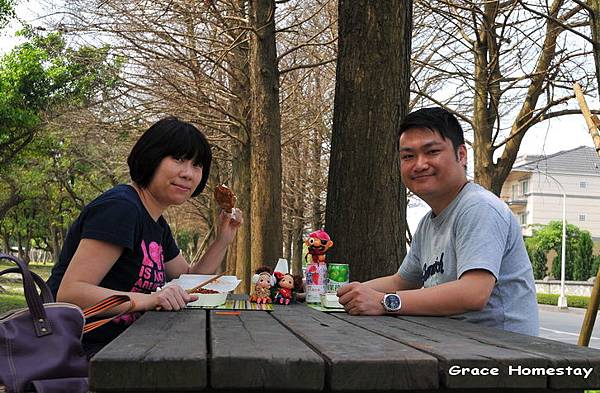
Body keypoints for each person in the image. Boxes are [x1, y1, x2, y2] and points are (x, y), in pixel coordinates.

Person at [47, 117, 243, 355]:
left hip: (124, 347)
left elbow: (190, 278)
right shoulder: (121, 208)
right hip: (78, 352)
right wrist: (151, 299)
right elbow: (70, 293)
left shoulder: (156, 223)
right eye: (179, 159)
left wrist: (223, 238)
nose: (188, 174)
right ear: (152, 156)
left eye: (197, 165)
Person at [337, 107, 538, 336]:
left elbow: (474, 292)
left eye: (431, 152)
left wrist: (385, 302)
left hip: (502, 355)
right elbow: (401, 282)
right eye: (408, 156)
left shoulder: (479, 207)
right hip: (454, 344)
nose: (419, 164)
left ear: (461, 155)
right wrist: (336, 293)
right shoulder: (428, 223)